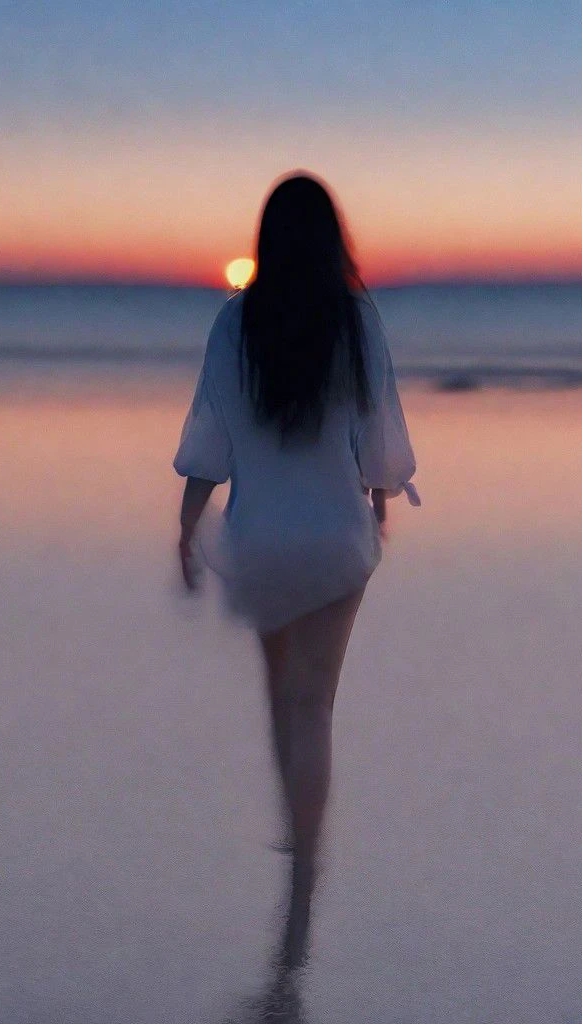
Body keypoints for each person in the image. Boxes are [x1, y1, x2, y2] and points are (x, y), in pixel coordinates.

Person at [173, 171, 419, 975]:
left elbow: (211, 436)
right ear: (333, 239)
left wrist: (184, 528)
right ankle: (306, 871)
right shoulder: (357, 320)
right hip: (335, 542)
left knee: (283, 699)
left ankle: (295, 830)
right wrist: (381, 498)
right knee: (317, 705)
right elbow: (381, 431)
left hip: (262, 542)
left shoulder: (236, 321)